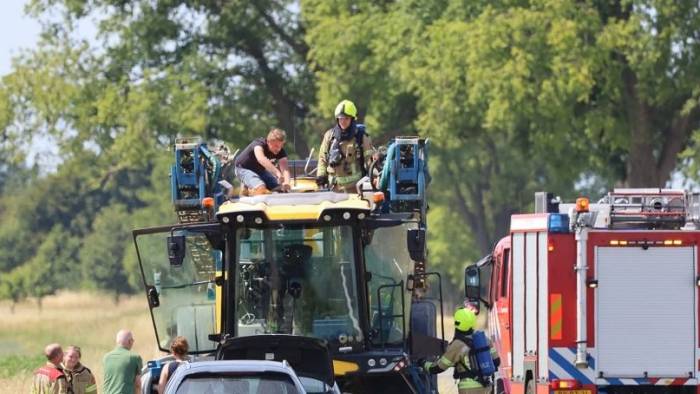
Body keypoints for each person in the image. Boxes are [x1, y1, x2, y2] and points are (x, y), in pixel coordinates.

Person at [421, 307, 500, 394]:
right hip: (487, 388)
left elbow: (438, 368)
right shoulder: (484, 339)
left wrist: (423, 363)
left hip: (469, 389)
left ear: (457, 323)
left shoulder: (457, 345)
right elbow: (497, 361)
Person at [316, 99, 375, 192]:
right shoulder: (329, 136)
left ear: (352, 119)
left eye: (346, 118)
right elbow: (322, 159)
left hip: (355, 191)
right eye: (340, 118)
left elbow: (370, 162)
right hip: (333, 190)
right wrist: (321, 177)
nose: (343, 121)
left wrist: (374, 177)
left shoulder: (361, 137)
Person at [234, 128, 291, 195]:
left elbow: (285, 169)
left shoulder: (280, 150)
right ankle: (247, 189)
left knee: (279, 188)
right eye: (276, 146)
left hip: (260, 171)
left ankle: (250, 186)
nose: (278, 149)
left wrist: (286, 183)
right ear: (268, 142)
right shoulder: (258, 144)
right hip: (243, 169)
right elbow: (261, 159)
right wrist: (277, 173)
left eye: (281, 146)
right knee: (261, 188)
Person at [103, 329, 143, 394]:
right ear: (130, 341)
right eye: (132, 340)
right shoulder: (135, 357)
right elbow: (138, 384)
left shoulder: (106, 357)